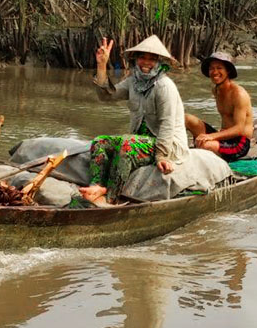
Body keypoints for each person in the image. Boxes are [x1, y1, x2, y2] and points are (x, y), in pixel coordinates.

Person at [80, 35, 189, 205]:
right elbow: (106, 96)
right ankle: (97, 187)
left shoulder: (164, 86)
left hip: (167, 144)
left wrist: (161, 156)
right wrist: (102, 65)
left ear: (159, 62)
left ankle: (111, 199)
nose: (146, 62)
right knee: (100, 142)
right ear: (136, 59)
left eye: (152, 59)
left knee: (127, 144)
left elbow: (167, 124)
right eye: (142, 57)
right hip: (140, 140)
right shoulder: (133, 81)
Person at [184, 51, 253, 161]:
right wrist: (212, 136)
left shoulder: (239, 94)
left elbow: (239, 129)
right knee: (186, 119)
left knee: (205, 145)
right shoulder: (216, 90)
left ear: (228, 71)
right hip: (223, 136)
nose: (215, 72)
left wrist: (211, 136)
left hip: (239, 143)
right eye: (212, 68)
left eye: (219, 68)